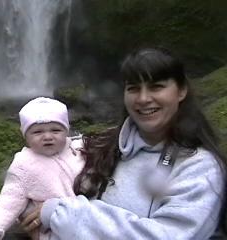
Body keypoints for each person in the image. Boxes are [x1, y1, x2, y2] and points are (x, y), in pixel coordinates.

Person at [20, 47, 227, 239]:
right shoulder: (107, 145)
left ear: (181, 91)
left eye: (156, 87)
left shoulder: (200, 167)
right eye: (134, 88)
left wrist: (61, 214)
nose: (143, 98)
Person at [0, 97, 85, 240]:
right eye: (37, 132)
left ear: (66, 131)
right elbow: (11, 197)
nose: (48, 136)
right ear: (26, 137)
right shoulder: (23, 163)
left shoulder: (80, 149)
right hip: (53, 229)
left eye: (56, 130)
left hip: (87, 220)